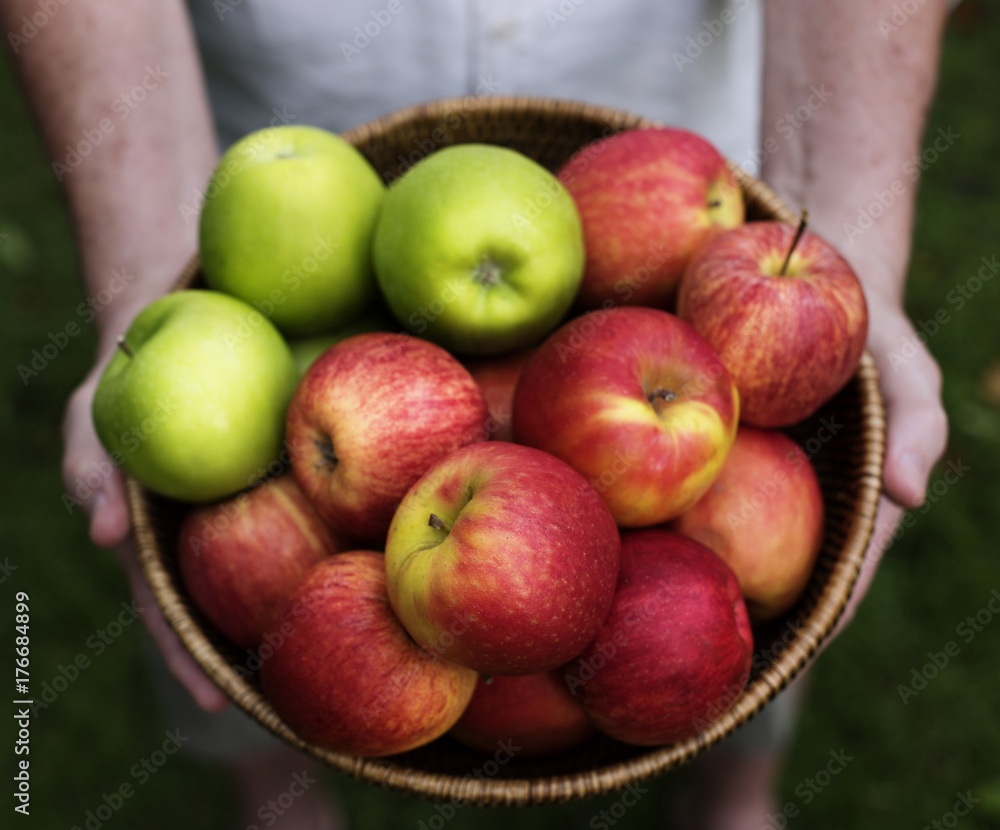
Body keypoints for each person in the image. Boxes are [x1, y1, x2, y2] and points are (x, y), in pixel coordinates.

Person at [2, 0, 951, 827]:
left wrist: (845, 216)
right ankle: (274, 799)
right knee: (230, 625)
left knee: (727, 607)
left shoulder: (698, 286)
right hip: (297, 183)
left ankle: (736, 794)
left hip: (674, 154)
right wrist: (141, 265)